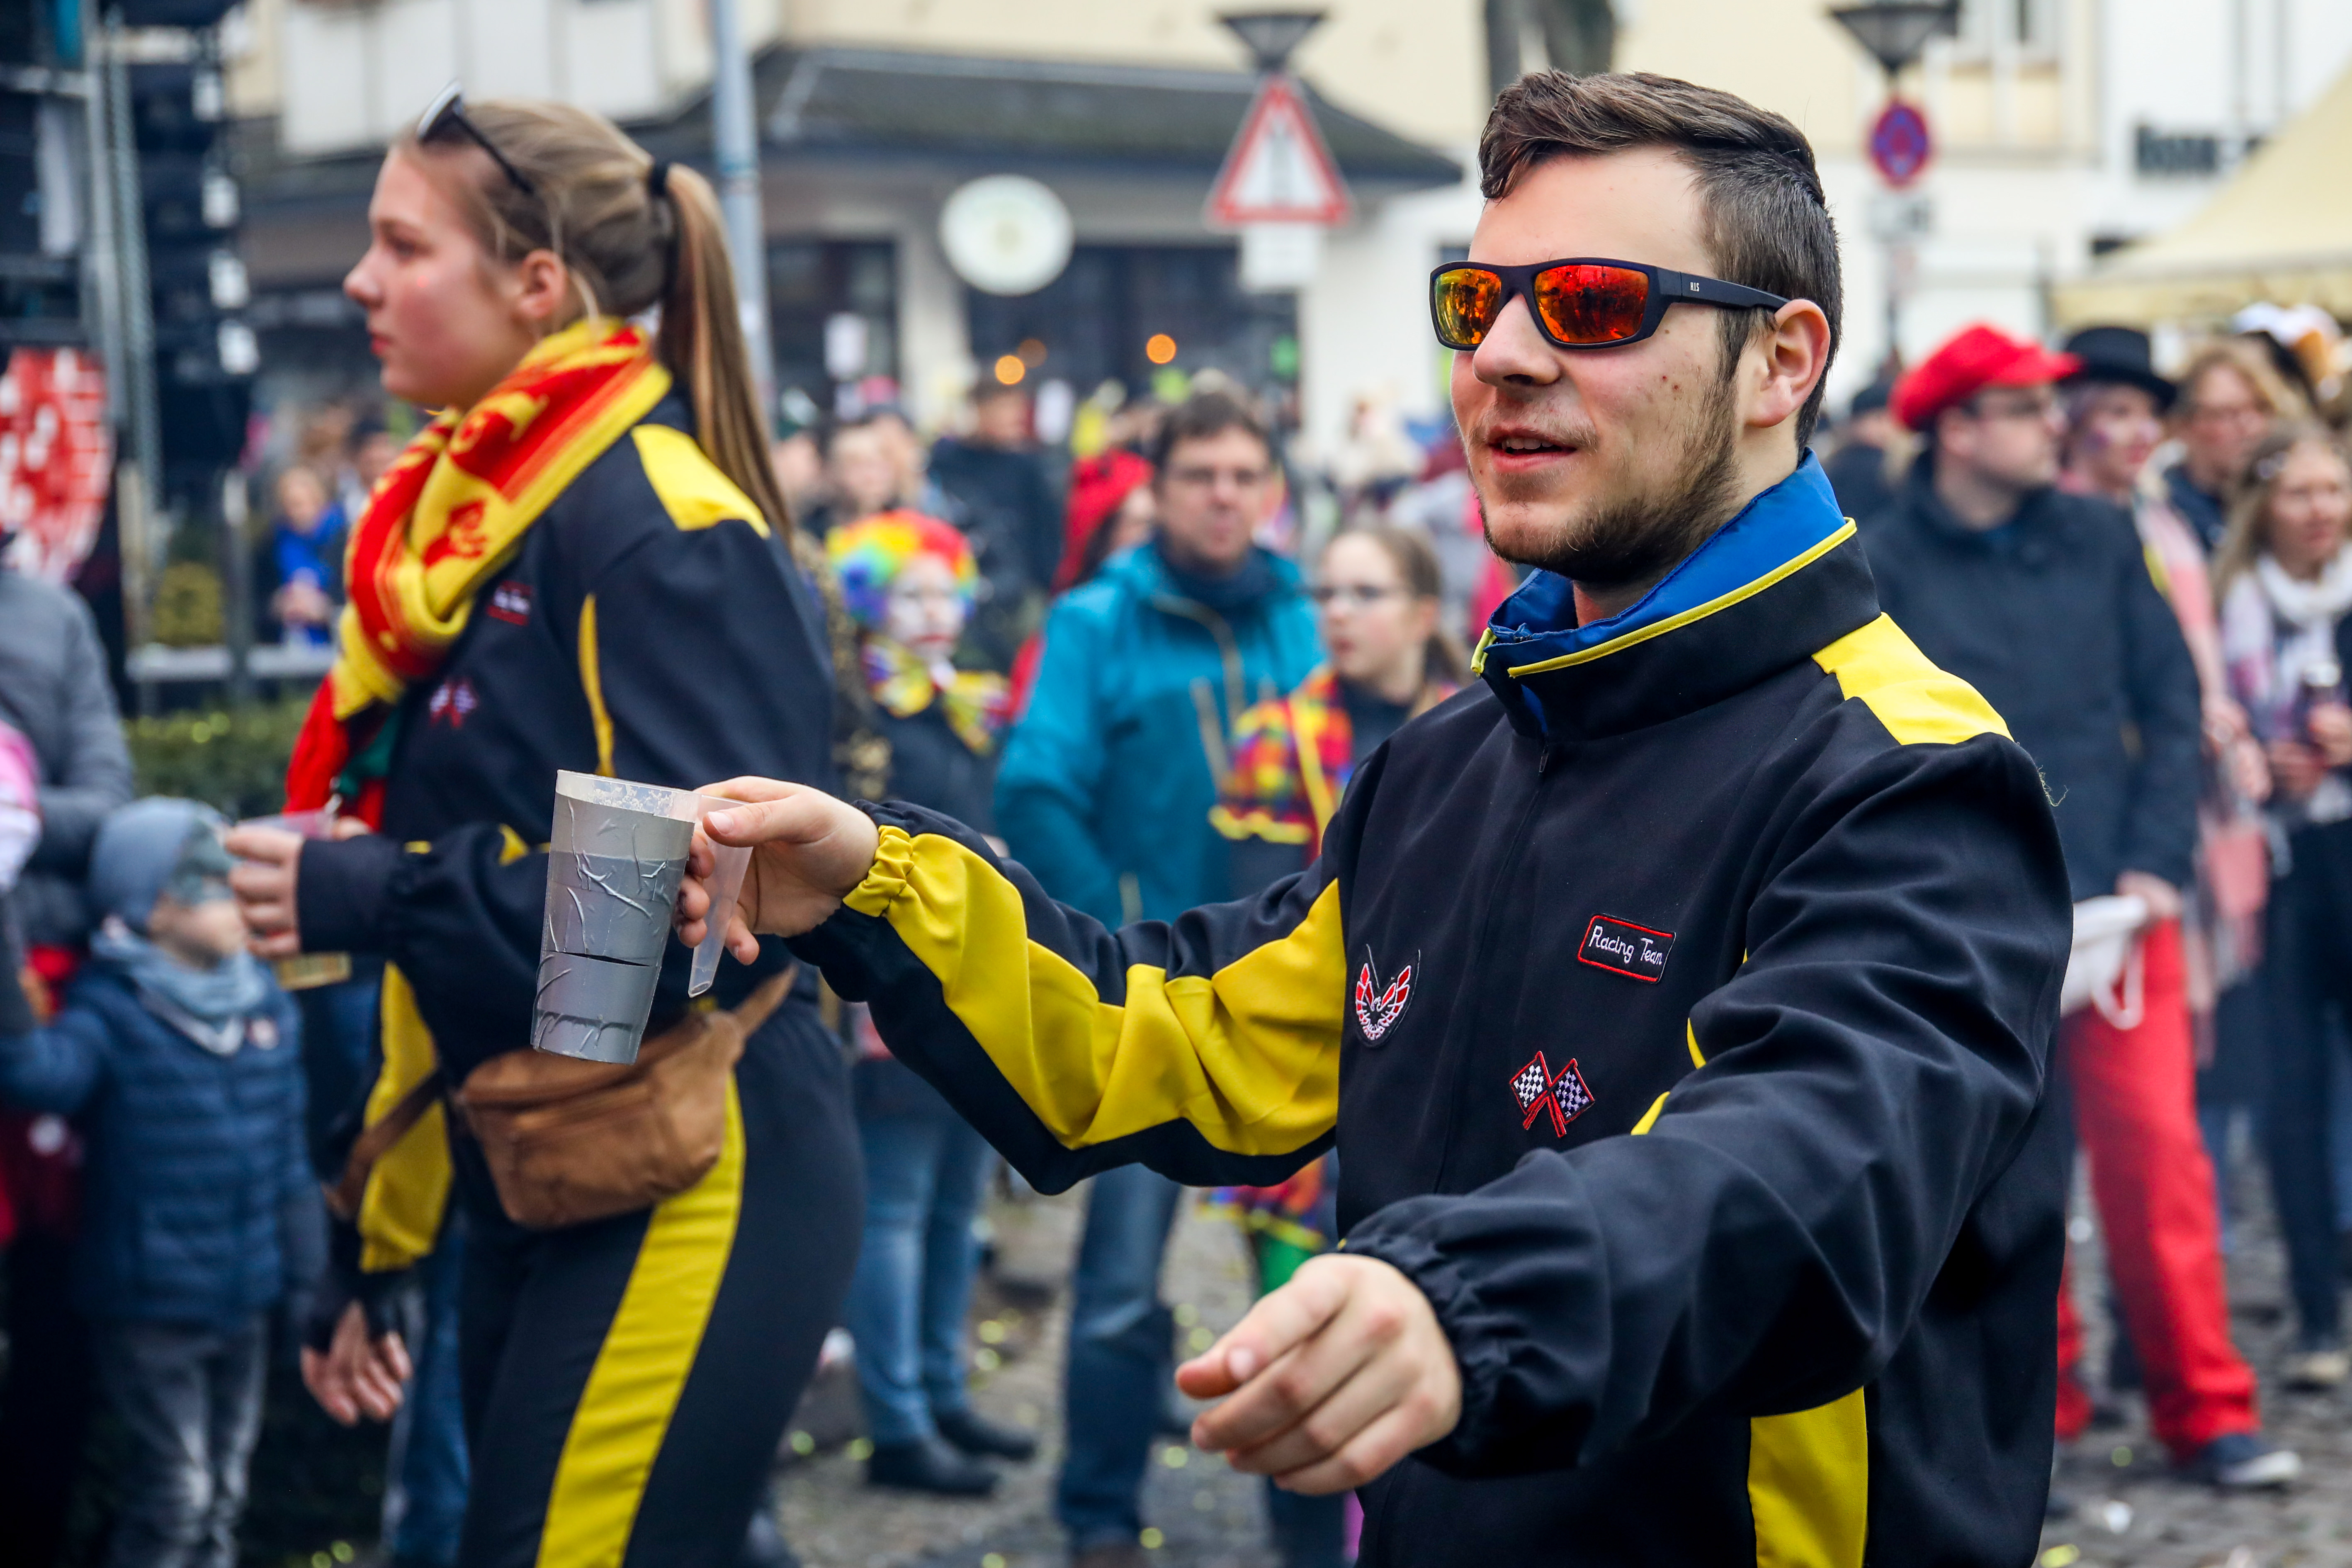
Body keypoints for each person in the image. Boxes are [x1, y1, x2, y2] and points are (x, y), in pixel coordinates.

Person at [682, 70, 2079, 1566]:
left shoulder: (1910, 770)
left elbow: (1807, 1162)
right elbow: (1184, 1033)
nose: (1505, 356)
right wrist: (874, 886)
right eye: (1477, 303)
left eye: (1593, 304)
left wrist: (1457, 1301)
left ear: (1778, 361)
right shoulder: (1450, 754)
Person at [221, 94, 860, 1568]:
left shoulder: (654, 521)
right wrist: (372, 1237)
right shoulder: (475, 519)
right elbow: (511, 963)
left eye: (403, 246)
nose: (360, 282)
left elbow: (683, 926)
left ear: (537, 284)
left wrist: (369, 889)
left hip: (694, 1145)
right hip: (550, 1149)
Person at [1868, 323, 2291, 1488]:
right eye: (2025, 407)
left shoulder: (2105, 536)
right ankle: (2036, 1408)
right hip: (1968, 922)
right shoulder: (1884, 561)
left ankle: (2206, 1410)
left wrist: (2158, 865)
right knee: (1999, 1180)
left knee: (2158, 1162)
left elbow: (2170, 707)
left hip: (2120, 907)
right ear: (1958, 429)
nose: (2057, 424)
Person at [994, 386, 1318, 1566]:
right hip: (1159, 996)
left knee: (1307, 1270)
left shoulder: (1306, 609)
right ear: (1158, 489)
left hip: (1298, 994)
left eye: (1242, 475)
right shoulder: (1096, 620)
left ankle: (1315, 1518)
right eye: (1199, 476)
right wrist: (1113, 941)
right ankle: (1096, 1512)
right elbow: (1035, 788)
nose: (1223, 497)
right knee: (1124, 1279)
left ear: (1270, 489)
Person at [1207, 523, 1462, 1568]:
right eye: (1327, 594)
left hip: (1438, 1075)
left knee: (1423, 1348)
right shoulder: (1274, 735)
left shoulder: (1484, 727)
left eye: (1366, 592)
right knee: (1298, 1354)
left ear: (1422, 611)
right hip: (1311, 1070)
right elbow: (1254, 918)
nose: (1339, 614)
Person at [0, 799, 318, 1568]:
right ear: (148, 906)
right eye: (210, 880)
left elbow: (290, 1158)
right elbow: (39, 1078)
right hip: (149, 1308)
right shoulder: (111, 1011)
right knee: (176, 1495)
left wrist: (309, 1284)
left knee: (224, 1494)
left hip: (245, 1300)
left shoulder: (266, 1004)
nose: (237, 894)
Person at [823, 511, 1036, 1496]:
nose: (934, 612)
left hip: (978, 971)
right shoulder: (861, 721)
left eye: (945, 591)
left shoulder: (963, 703)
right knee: (899, 1204)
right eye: (910, 595)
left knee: (956, 1201)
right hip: (897, 980)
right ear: (871, 608)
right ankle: (897, 1419)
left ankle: (942, 1391)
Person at [0, 523, 132, 1565]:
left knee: (54, 1302)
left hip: (41, 998)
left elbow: (110, 809)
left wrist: (19, 816)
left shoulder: (50, 616)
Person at [2213, 426, 2352, 1386]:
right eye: (2298, 493)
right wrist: (2261, 762)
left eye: (2332, 490)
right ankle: (2315, 1314)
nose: (2319, 510)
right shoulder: (2229, 604)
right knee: (2291, 1094)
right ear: (2263, 505)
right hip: (2274, 865)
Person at [930, 382, 1063, 670]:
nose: (1011, 418)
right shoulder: (948, 460)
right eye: (1002, 409)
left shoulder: (1028, 466)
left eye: (1014, 410)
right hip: (963, 583)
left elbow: (1047, 530)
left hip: (1021, 589)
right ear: (979, 410)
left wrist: (1047, 584)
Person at [2164, 340, 2301, 552]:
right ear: (2184, 425)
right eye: (2228, 413)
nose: (2251, 427)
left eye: (2261, 408)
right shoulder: (2162, 513)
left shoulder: (2279, 505)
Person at [266, 464, 350, 646]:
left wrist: (326, 610)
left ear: (318, 501)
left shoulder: (342, 541)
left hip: (335, 641)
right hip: (289, 642)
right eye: (287, 505)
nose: (294, 512)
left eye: (299, 504)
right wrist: (280, 604)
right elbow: (260, 599)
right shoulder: (274, 542)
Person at [1821, 374, 1897, 523]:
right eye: (1879, 418)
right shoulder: (1876, 464)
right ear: (1857, 422)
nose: (1887, 427)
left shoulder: (1835, 459)